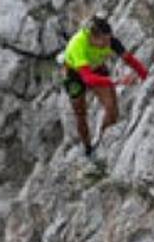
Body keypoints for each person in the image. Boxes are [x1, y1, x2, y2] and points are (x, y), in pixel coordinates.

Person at [61, 16, 148, 156]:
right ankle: (87, 147)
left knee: (112, 108)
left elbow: (129, 59)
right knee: (80, 112)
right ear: (92, 37)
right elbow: (88, 78)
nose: (108, 44)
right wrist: (117, 81)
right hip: (74, 73)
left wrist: (145, 76)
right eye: (104, 41)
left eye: (109, 39)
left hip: (95, 67)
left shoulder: (111, 41)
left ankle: (103, 140)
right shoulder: (77, 45)